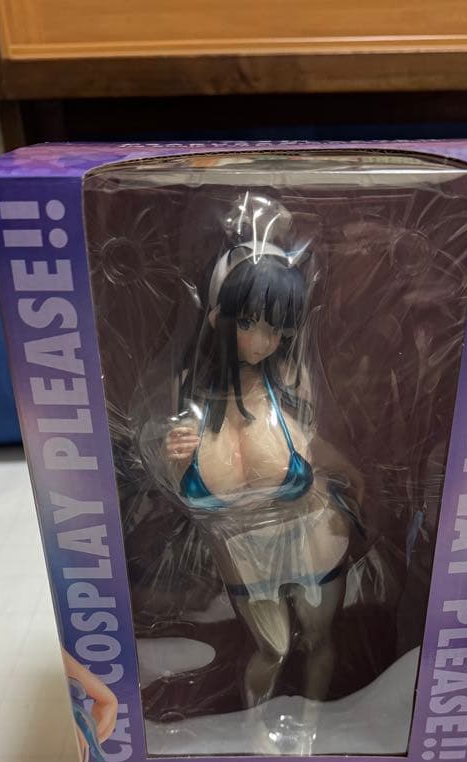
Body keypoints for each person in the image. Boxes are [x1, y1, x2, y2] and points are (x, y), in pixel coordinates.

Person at [163, 195, 364, 712]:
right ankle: (256, 734)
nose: (263, 341)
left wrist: (351, 474)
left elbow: (312, 442)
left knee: (317, 639)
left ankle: (315, 723)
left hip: (311, 537)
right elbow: (182, 478)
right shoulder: (192, 390)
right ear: (218, 315)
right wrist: (177, 456)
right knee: (271, 649)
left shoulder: (289, 380)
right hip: (243, 550)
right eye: (250, 322)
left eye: (276, 328)